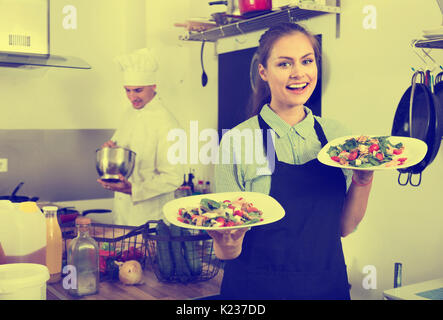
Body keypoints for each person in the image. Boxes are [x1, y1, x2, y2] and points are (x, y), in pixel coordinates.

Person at [209, 23, 374, 300]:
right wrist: (229, 242)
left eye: (307, 61)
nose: (299, 73)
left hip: (327, 288)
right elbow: (227, 251)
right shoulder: (238, 141)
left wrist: (364, 179)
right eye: (284, 64)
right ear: (263, 72)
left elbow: (344, 228)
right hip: (255, 291)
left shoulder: (338, 137)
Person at [97, 48, 183, 226]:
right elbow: (121, 149)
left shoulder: (167, 123)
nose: (131, 97)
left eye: (137, 90)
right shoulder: (129, 113)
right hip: (123, 211)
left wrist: (133, 189)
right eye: (127, 91)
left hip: (150, 218)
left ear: (153, 86)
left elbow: (173, 177)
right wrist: (111, 150)